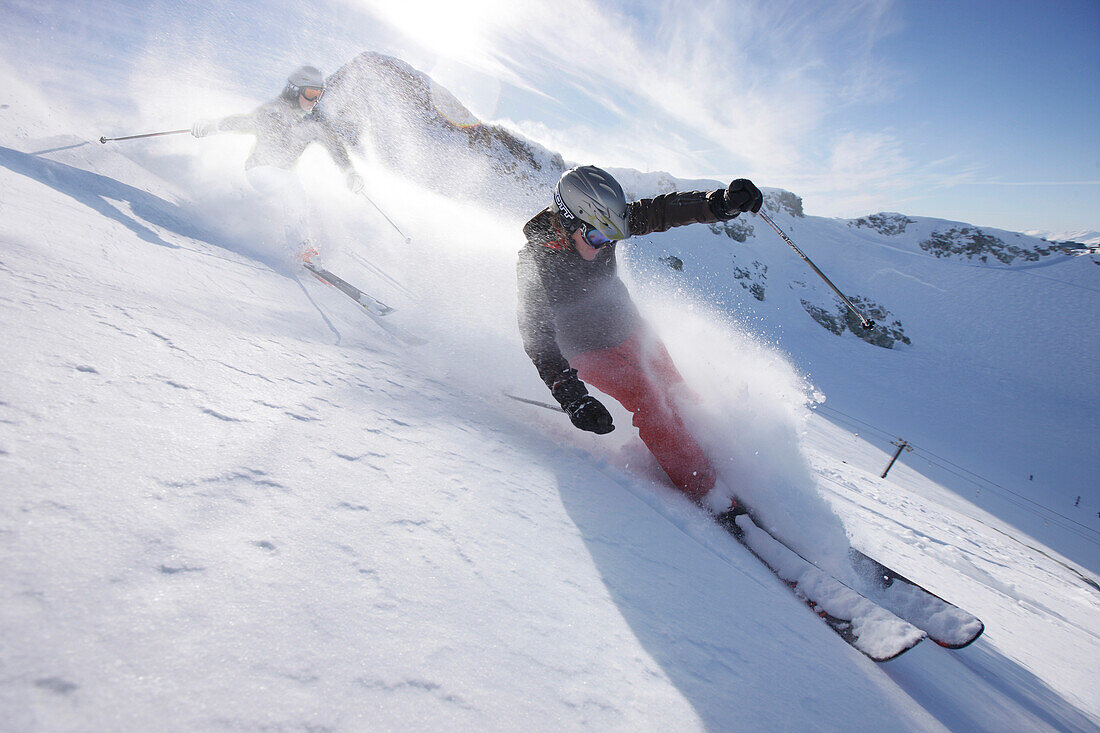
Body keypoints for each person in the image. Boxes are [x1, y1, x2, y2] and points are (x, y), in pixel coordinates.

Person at [517, 165, 762, 508]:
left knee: (677, 391)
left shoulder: (604, 225)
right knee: (648, 399)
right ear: (568, 223)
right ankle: (708, 492)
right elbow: (536, 335)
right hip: (586, 350)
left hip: (631, 328)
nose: (603, 247)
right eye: (596, 238)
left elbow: (662, 211)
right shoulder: (535, 262)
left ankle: (717, 456)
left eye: (611, 238)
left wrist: (719, 202)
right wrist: (572, 396)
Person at [190, 65, 363, 253]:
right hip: (259, 171)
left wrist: (349, 171)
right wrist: (212, 126)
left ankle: (320, 251)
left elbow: (334, 145)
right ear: (295, 90)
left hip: (283, 176)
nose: (315, 100)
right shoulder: (274, 111)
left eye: (319, 95)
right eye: (311, 93)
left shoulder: (316, 121)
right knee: (292, 185)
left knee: (309, 200)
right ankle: (300, 249)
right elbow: (243, 122)